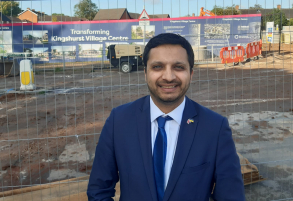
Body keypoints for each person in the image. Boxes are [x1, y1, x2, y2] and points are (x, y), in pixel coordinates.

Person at [87, 33, 245, 201]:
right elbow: (99, 191)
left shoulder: (215, 128)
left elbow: (231, 196)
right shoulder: (119, 121)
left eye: (178, 67)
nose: (168, 77)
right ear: (145, 73)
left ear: (191, 73)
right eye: (157, 67)